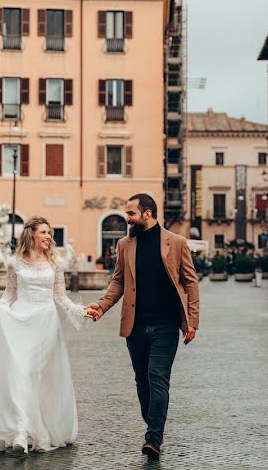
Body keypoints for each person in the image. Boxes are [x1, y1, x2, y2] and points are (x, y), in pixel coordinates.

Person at [0, 216, 89, 453]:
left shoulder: (55, 264)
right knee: (20, 374)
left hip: (46, 324)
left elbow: (60, 297)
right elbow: (9, 294)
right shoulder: (15, 263)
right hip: (20, 321)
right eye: (44, 232)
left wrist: (79, 310)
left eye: (50, 233)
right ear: (31, 234)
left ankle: (33, 429)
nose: (48, 237)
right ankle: (20, 432)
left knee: (38, 377)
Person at [85, 193, 200, 461]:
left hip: (166, 325)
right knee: (142, 382)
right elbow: (118, 282)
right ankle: (154, 424)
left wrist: (191, 321)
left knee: (158, 378)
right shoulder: (125, 245)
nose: (127, 218)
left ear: (147, 213)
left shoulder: (177, 243)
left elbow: (191, 283)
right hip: (135, 326)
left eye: (131, 213)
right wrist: (102, 306)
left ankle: (154, 438)